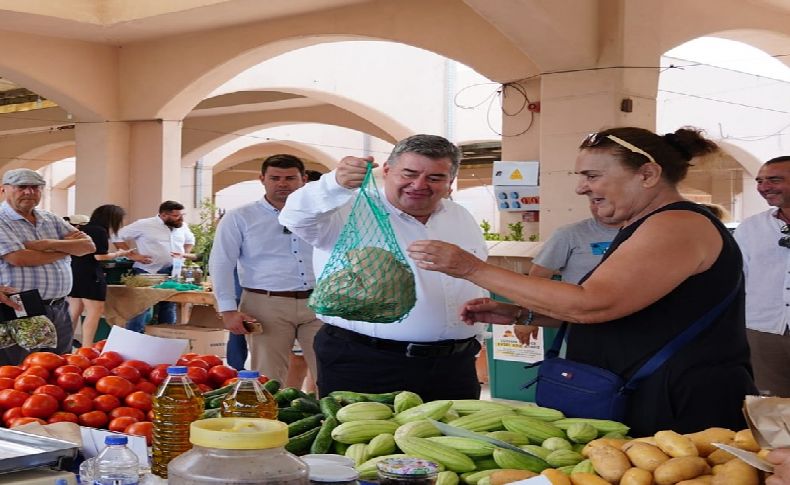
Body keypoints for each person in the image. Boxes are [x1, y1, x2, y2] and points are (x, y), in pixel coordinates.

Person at [407, 127, 757, 435]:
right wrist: (521, 314)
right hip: (646, 393)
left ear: (648, 174)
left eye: (591, 175)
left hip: (678, 403)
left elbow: (593, 303)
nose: (580, 188)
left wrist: (469, 267)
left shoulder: (677, 225)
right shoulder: (643, 226)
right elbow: (627, 310)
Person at [280, 134, 488, 401]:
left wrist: (477, 340)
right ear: (387, 170)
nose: (419, 185)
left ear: (450, 182)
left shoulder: (459, 215)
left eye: (434, 178)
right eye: (409, 173)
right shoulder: (347, 208)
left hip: (453, 366)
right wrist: (333, 184)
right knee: (365, 440)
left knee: (450, 440)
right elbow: (294, 216)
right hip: (367, 363)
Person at [210, 154, 322, 384]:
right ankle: (271, 419)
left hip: (319, 303)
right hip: (265, 304)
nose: (282, 183)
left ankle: (330, 419)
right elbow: (221, 262)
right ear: (262, 179)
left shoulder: (321, 214)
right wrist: (228, 310)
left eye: (290, 177)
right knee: (268, 377)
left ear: (304, 179)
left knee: (329, 371)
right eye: (275, 178)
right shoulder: (239, 217)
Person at [0, 168, 95, 364]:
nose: (29, 192)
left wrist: (48, 245)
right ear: (4, 190)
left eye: (35, 187)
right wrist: (69, 249)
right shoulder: (2, 220)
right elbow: (19, 258)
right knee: (18, 371)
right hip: (19, 306)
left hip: (59, 306)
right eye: (21, 187)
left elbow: (88, 246)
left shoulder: (50, 218)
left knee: (59, 368)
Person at [515, 201, 620, 345]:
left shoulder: (645, 231)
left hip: (639, 323)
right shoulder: (569, 234)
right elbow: (537, 278)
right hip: (582, 326)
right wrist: (527, 317)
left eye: (605, 199)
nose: (599, 206)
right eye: (594, 200)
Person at [733, 155, 790, 397]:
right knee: (771, 410)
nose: (764, 187)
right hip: (763, 331)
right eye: (760, 181)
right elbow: (736, 279)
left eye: (774, 179)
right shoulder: (750, 228)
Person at [115, 201, 195, 332]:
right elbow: (117, 236)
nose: (181, 218)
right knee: (141, 307)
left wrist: (184, 254)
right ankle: (134, 339)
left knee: (168, 306)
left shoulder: (182, 226)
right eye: (176, 216)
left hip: (172, 271)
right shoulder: (144, 224)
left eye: (182, 215)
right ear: (164, 215)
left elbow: (190, 240)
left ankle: (166, 336)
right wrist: (133, 255)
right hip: (147, 271)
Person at [68, 205, 132, 346]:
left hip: (74, 271)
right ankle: (87, 347)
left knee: (74, 311)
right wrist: (119, 254)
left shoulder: (82, 229)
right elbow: (100, 256)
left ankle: (66, 346)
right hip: (90, 273)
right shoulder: (99, 231)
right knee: (94, 311)